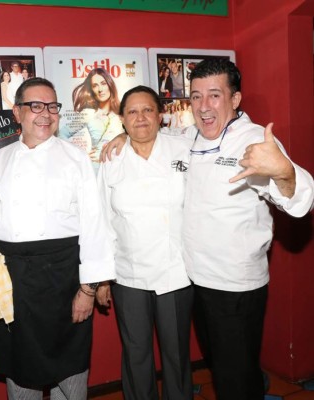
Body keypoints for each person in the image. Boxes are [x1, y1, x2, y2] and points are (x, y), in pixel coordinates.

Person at [101, 58, 314, 400]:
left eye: (214, 95)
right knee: (224, 369)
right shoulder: (191, 137)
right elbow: (151, 131)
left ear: (236, 99)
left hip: (235, 285)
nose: (203, 106)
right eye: (196, 96)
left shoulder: (254, 140)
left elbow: (301, 200)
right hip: (197, 280)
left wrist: (284, 173)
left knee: (234, 377)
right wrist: (122, 137)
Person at [0, 77, 116, 399]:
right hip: (14, 281)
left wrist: (88, 290)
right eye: (35, 106)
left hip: (63, 278)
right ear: (17, 113)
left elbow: (94, 224)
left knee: (70, 373)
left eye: (52, 107)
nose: (45, 114)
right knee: (21, 369)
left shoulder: (75, 159)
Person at [97, 86, 193, 400]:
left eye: (148, 110)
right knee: (136, 352)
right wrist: (102, 278)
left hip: (177, 270)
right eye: (133, 112)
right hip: (129, 273)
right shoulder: (112, 159)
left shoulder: (184, 147)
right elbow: (102, 220)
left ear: (161, 115)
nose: (141, 118)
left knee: (176, 353)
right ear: (122, 120)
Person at [58, 68, 125, 170]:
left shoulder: (123, 112)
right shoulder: (88, 113)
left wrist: (124, 137)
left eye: (103, 83)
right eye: (95, 85)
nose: (100, 89)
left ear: (110, 85)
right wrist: (79, 155)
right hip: (96, 168)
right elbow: (61, 134)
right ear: (91, 90)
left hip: (120, 167)